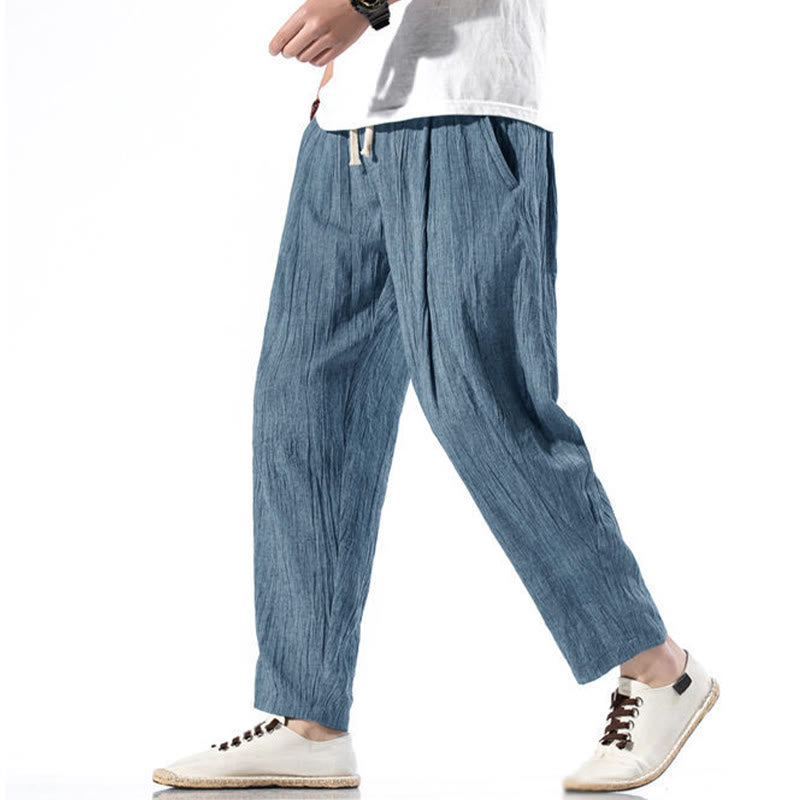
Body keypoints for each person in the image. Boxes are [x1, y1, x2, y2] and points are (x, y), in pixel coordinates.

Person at [153, 0, 719, 792]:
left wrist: (363, 5)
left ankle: (661, 670)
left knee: (482, 406)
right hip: (348, 130)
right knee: (302, 414)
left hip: (464, 114)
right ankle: (309, 721)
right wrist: (350, 74)